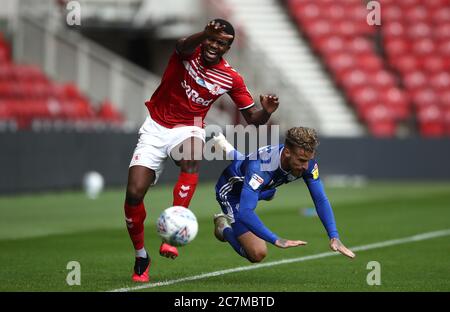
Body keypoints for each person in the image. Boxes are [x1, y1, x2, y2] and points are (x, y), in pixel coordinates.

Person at [124, 18, 280, 282]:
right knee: (134, 194)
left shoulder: (230, 77)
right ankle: (141, 256)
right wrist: (203, 34)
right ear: (204, 36)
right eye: (211, 39)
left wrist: (265, 111)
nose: (214, 46)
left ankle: (174, 228)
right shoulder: (188, 52)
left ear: (227, 49)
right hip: (156, 127)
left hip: (190, 127)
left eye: (221, 43)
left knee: (193, 155)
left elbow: (252, 119)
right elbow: (182, 45)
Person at [212, 127, 355, 263]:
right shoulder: (260, 168)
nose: (306, 166)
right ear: (287, 152)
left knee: (269, 190)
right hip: (232, 193)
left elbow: (320, 199)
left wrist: (334, 236)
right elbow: (245, 212)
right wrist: (276, 239)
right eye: (301, 161)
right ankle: (223, 227)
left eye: (309, 160)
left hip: (262, 186)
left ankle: (229, 150)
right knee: (257, 253)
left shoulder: (305, 161)